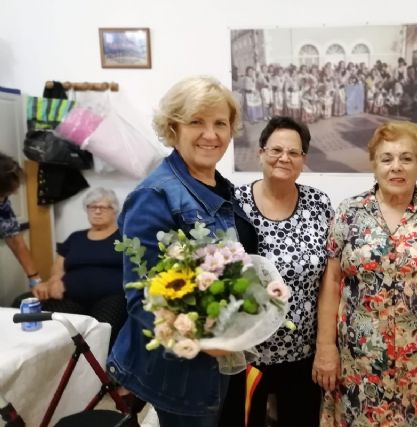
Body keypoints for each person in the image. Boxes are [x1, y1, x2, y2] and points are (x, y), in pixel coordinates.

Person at [106, 75, 258, 427]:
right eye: (196, 122)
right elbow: (142, 298)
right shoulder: (155, 195)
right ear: (173, 127)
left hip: (220, 361)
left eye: (220, 123)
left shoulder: (220, 187)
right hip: (181, 372)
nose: (211, 134)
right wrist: (205, 342)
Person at [313, 121, 417, 426]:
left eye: (407, 158)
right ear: (374, 165)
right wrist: (325, 348)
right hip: (360, 362)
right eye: (387, 159)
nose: (397, 167)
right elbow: (331, 282)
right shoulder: (349, 213)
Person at [221, 116, 333, 427]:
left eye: (294, 152)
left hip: (302, 351)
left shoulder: (319, 204)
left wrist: (326, 345)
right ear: (260, 153)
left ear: (303, 160)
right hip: (247, 352)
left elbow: (329, 279)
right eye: (276, 150)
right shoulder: (234, 203)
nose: (284, 158)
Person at [13, 187, 126, 349]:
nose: (97, 211)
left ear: (114, 210)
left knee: (98, 332)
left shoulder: (124, 237)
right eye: (92, 207)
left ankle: (94, 370)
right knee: (25, 308)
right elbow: (58, 267)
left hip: (112, 297)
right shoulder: (75, 237)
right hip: (70, 298)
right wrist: (53, 281)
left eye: (103, 207)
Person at [0, 152, 42, 289]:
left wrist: (35, 280)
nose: (14, 194)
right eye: (3, 194)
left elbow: (17, 242)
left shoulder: (3, 205)